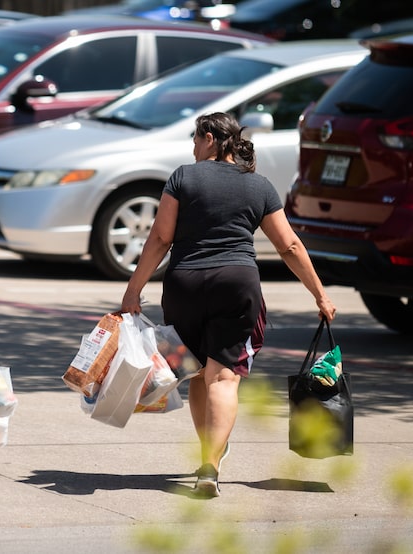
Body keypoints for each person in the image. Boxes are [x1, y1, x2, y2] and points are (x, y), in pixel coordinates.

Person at [120, 112, 336, 498]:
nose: (192, 147)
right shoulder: (260, 186)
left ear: (207, 138)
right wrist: (319, 294)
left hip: (184, 284)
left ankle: (208, 454)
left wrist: (133, 290)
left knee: (199, 372)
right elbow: (289, 245)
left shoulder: (183, 177)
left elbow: (158, 239)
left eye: (194, 139)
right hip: (236, 284)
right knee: (223, 377)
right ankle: (211, 467)